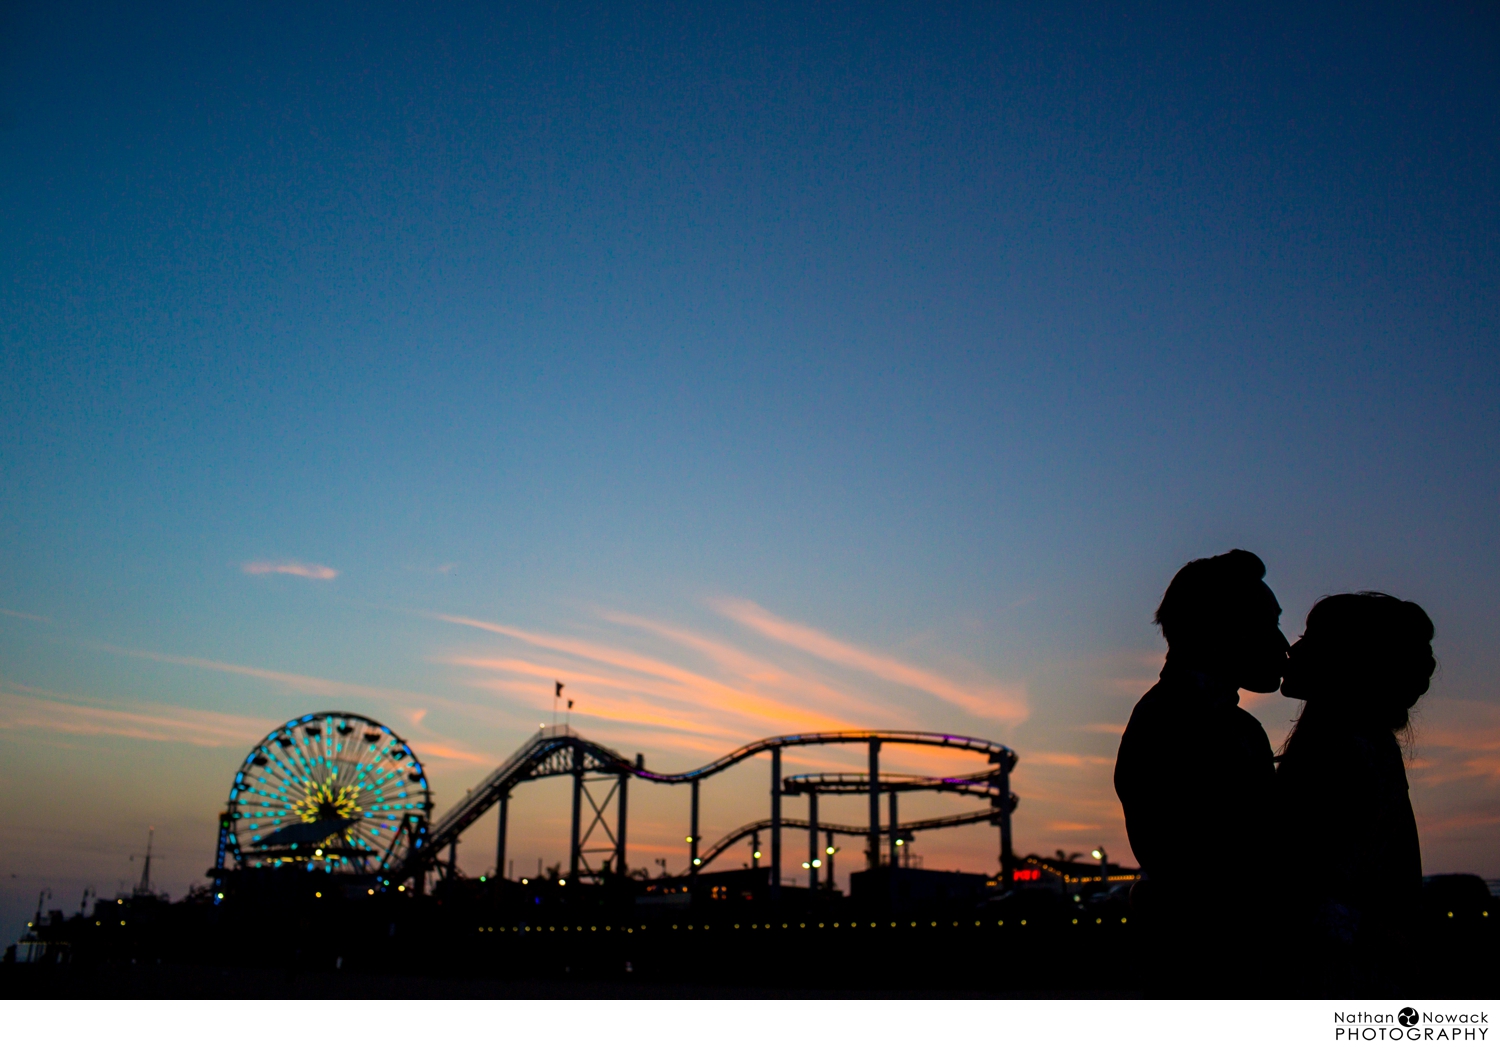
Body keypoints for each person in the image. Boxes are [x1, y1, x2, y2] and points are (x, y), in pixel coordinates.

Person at [1114, 549, 1288, 992]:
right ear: (1218, 631)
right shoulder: (1179, 722)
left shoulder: (1222, 722)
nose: (1283, 644)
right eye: (1266, 624)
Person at [1276, 592, 1435, 995]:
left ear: (1346, 662)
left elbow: (1312, 892)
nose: (1292, 649)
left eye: (1310, 639)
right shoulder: (1364, 746)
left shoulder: (1344, 752)